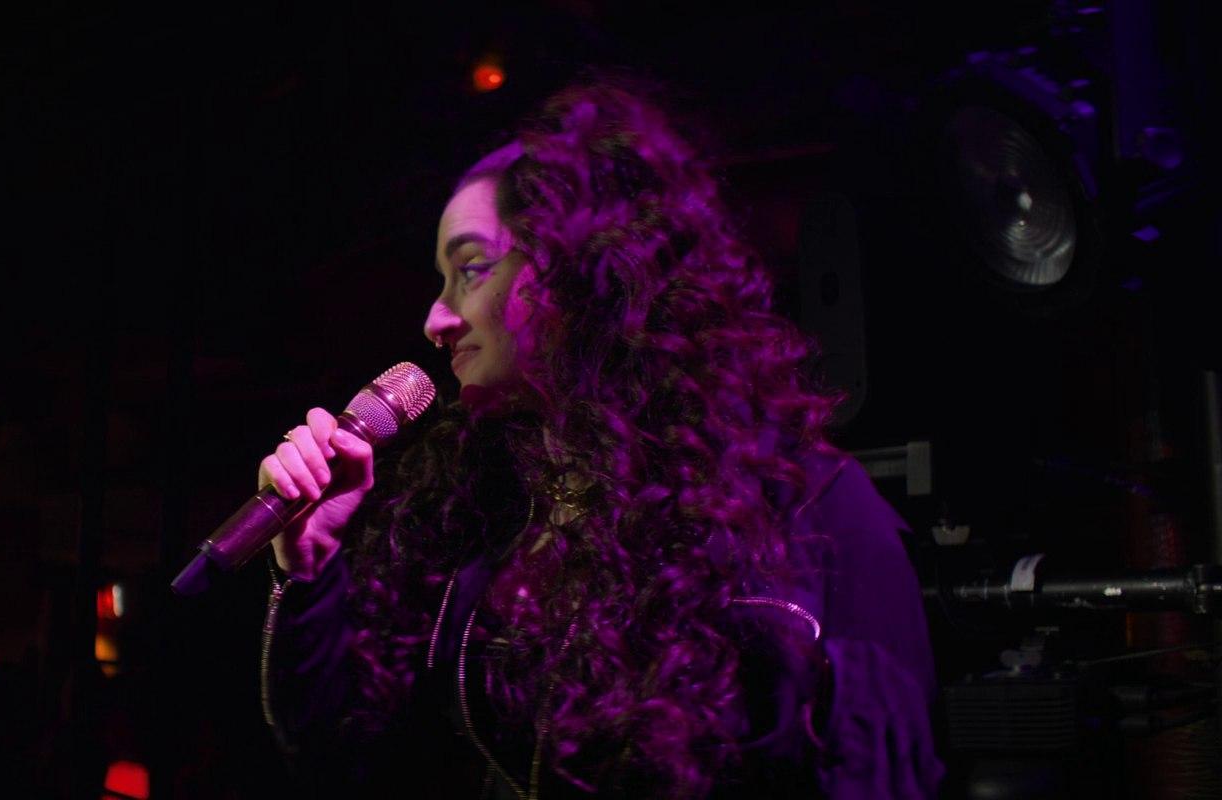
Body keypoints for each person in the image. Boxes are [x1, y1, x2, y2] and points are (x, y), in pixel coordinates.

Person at [256, 79, 942, 798]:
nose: (436, 319)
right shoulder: (487, 505)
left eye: (471, 270)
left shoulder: (804, 501)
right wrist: (307, 566)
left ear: (581, 273)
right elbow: (353, 756)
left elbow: (880, 768)